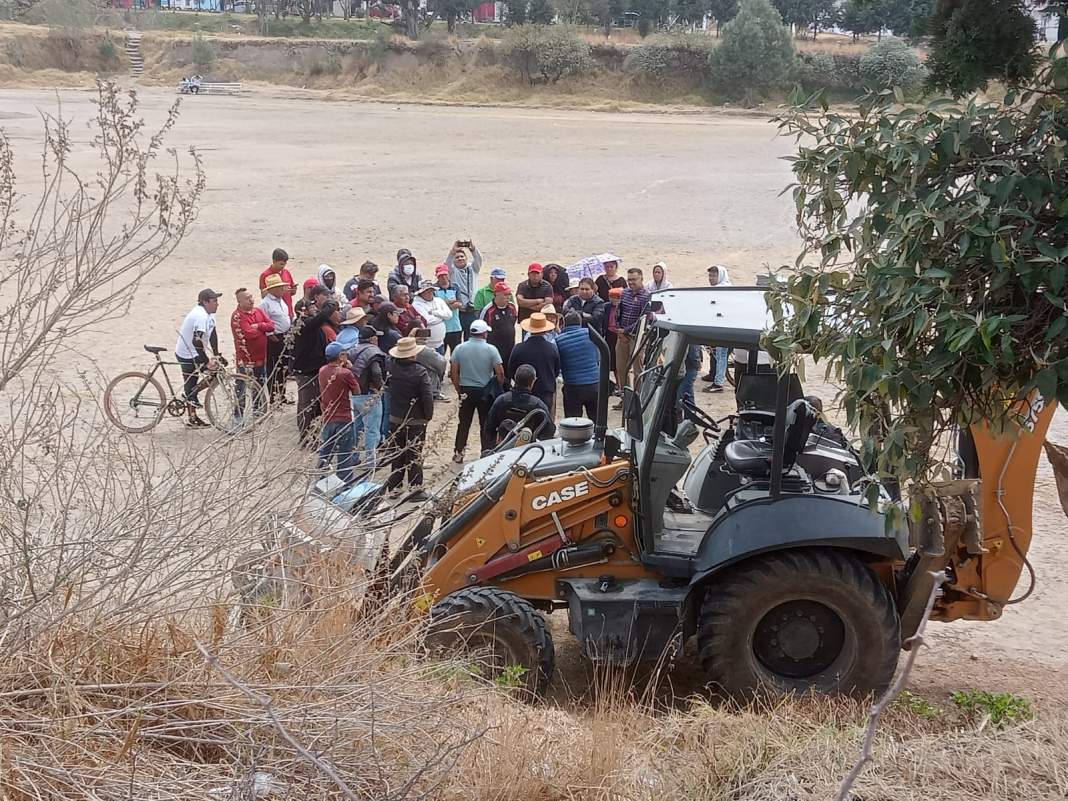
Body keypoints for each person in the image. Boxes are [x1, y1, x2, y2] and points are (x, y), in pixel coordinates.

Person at [449, 318, 505, 463]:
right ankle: (485, 452)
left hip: (466, 389)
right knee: (485, 423)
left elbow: (453, 371)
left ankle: (459, 452)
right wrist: (497, 386)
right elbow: (500, 372)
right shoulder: (491, 349)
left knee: (463, 423)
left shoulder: (459, 348)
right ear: (484, 333)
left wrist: (458, 388)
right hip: (485, 390)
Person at [386, 336, 434, 501]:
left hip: (395, 417)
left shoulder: (392, 368)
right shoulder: (420, 372)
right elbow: (427, 396)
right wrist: (428, 415)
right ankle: (415, 490)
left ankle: (395, 488)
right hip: (416, 418)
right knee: (414, 454)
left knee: (397, 453)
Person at [291, 296, 339, 448]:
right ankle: (306, 439)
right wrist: (331, 303)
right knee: (307, 405)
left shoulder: (310, 324)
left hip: (314, 369)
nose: (314, 309)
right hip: (307, 371)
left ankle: (314, 436)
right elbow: (323, 316)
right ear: (302, 311)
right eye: (310, 307)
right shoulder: (303, 324)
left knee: (315, 405)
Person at [174, 288, 222, 428]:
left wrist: (216, 354)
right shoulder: (200, 316)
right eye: (214, 301)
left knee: (203, 378)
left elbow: (212, 334)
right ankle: (191, 404)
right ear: (205, 302)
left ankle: (190, 396)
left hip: (194, 352)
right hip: (187, 354)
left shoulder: (210, 314)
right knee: (201, 377)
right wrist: (206, 361)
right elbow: (196, 342)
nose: (217, 304)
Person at [317, 341, 359, 485]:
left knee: (326, 451)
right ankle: (345, 483)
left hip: (329, 415)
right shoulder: (345, 373)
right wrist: (350, 370)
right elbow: (357, 391)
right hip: (345, 416)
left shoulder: (322, 370)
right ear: (341, 356)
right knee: (345, 454)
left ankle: (320, 479)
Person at [231, 287, 274, 420]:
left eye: (251, 297)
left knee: (259, 387)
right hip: (245, 361)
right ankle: (238, 417)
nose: (251, 300)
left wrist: (259, 326)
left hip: (260, 359)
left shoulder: (258, 311)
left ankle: (258, 413)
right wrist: (262, 330)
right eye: (247, 298)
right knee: (241, 389)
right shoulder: (237, 317)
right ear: (239, 301)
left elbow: (271, 325)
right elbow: (248, 334)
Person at [485, 364, 555, 446]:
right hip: (528, 449)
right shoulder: (538, 405)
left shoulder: (501, 400)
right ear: (533, 381)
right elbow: (549, 431)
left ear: (515, 378)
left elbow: (489, 427)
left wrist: (494, 446)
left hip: (503, 448)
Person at [349, 326, 387, 473]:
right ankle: (371, 461)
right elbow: (376, 372)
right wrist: (381, 388)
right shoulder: (374, 352)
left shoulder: (353, 350)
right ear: (372, 338)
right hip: (370, 395)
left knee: (356, 428)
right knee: (372, 430)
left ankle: (353, 457)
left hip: (355, 395)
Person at [509, 312, 560, 417]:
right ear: (545, 330)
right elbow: (556, 370)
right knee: (543, 421)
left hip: (523, 392)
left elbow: (511, 371)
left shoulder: (518, 348)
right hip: (545, 391)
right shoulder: (552, 348)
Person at [555, 311, 601, 419]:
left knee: (573, 423)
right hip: (594, 384)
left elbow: (558, 365)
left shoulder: (559, 340)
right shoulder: (591, 334)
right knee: (597, 420)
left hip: (573, 386)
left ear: (564, 324)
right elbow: (598, 357)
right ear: (580, 322)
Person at [615, 268, 651, 394]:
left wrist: (625, 330)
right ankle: (625, 395)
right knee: (621, 368)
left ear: (641, 279)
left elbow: (644, 319)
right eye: (629, 279)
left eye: (634, 279)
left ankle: (637, 396)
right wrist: (620, 330)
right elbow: (618, 312)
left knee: (637, 369)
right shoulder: (625, 293)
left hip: (637, 337)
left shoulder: (647, 297)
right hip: (622, 336)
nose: (631, 282)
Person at [260, 273, 293, 405]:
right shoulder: (265, 304)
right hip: (275, 338)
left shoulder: (281, 301)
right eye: (279, 287)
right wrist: (270, 335)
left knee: (284, 367)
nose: (282, 290)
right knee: (274, 367)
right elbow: (264, 320)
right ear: (272, 289)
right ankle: (274, 397)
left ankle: (282, 395)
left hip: (285, 335)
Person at [703, 264, 733, 392]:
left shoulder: (723, 290)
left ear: (720, 276)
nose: (711, 278)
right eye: (710, 275)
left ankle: (718, 383)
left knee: (721, 355)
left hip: (725, 329)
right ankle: (714, 375)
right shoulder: (719, 289)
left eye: (714, 276)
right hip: (719, 328)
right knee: (716, 353)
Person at [444, 240, 482, 337]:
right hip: (458, 311)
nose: (460, 258)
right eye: (457, 257)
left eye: (462, 256)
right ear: (454, 260)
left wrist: (473, 249)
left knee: (471, 338)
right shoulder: (452, 271)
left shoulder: (473, 269)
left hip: (472, 310)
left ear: (466, 258)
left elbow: (479, 259)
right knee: (456, 338)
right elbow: (446, 266)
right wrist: (452, 252)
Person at [480, 282, 518, 371]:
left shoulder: (512, 307)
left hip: (510, 347)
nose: (508, 297)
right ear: (497, 294)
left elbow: (513, 322)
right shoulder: (488, 310)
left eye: (509, 294)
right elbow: (482, 330)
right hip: (494, 350)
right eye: (505, 294)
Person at [412, 279, 453, 355]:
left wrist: (434, 312)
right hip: (426, 345)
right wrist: (442, 318)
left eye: (431, 290)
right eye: (427, 291)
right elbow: (427, 320)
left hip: (440, 343)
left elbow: (449, 314)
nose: (430, 293)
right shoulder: (416, 304)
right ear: (421, 292)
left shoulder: (439, 300)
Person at [434, 264, 464, 356]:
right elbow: (435, 308)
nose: (443, 277)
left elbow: (460, 304)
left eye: (445, 275)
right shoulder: (434, 289)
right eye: (440, 275)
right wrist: (450, 304)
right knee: (440, 356)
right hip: (441, 328)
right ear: (437, 276)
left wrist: (444, 305)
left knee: (456, 355)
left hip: (455, 327)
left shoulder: (455, 286)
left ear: (449, 274)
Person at [259, 248, 296, 318]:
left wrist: (293, 290)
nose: (283, 266)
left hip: (288, 310)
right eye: (281, 264)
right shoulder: (265, 275)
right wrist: (279, 290)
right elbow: (263, 295)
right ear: (274, 261)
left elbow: (292, 292)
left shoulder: (286, 272)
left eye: (285, 264)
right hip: (274, 313)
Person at [606, 286, 623, 393]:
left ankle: (620, 384)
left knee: (619, 363)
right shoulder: (607, 307)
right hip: (609, 334)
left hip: (619, 334)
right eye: (611, 297)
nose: (614, 299)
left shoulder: (623, 307)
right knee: (610, 361)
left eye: (616, 297)